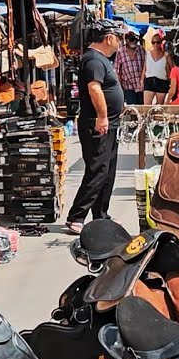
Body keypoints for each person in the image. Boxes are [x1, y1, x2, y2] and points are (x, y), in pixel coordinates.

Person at [64, 20, 125, 234]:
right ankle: (76, 217)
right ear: (108, 38)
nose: (120, 42)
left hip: (109, 124)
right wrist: (102, 117)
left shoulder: (101, 59)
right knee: (97, 171)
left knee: (107, 172)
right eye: (118, 37)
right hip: (97, 124)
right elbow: (94, 89)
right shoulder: (93, 60)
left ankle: (101, 216)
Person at [114, 25, 146, 106]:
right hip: (128, 87)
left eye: (135, 40)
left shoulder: (141, 49)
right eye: (132, 40)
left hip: (141, 86)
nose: (134, 42)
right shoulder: (120, 52)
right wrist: (120, 87)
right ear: (127, 40)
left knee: (142, 109)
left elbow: (145, 66)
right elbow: (117, 70)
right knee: (132, 109)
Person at [143, 30, 171, 104]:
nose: (155, 44)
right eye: (153, 42)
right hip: (150, 80)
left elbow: (172, 68)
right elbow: (144, 68)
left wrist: (171, 81)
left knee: (159, 107)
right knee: (146, 106)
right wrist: (141, 80)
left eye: (158, 42)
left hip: (162, 81)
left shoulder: (166, 55)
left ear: (161, 42)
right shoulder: (147, 54)